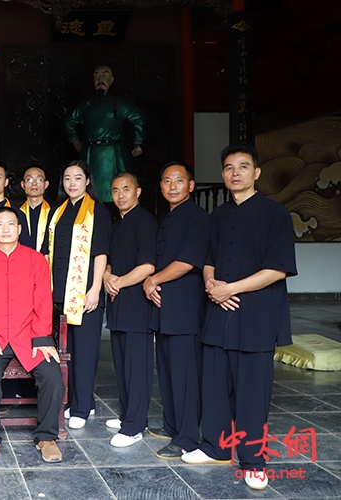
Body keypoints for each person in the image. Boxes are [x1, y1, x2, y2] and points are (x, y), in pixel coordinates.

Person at [181, 144, 297, 492]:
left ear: (256, 173)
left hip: (256, 315)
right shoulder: (217, 216)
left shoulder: (276, 214)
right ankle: (215, 447)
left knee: (251, 391)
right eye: (229, 168)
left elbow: (278, 270)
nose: (235, 173)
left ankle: (253, 461)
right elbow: (209, 259)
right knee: (214, 384)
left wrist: (232, 289)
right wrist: (211, 283)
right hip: (218, 312)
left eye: (243, 167)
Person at [0, 207, 65, 465]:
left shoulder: (36, 260)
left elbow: (44, 301)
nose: (6, 229)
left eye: (11, 224)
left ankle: (47, 437)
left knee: (54, 379)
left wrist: (43, 338)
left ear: (19, 229)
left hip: (29, 336)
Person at [142, 162, 209, 460]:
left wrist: (153, 279)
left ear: (191, 186)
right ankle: (172, 426)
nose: (172, 186)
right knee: (167, 371)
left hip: (185, 309)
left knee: (185, 376)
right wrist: (151, 282)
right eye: (167, 181)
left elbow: (186, 262)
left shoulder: (197, 218)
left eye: (178, 181)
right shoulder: (167, 218)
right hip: (165, 308)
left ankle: (186, 438)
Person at [44, 161, 110, 430]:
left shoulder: (98, 211)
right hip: (59, 293)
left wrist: (95, 289)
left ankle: (82, 406)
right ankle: (76, 401)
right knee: (66, 351)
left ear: (88, 181)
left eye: (78, 178)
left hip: (84, 294)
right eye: (67, 178)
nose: (72, 183)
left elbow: (100, 253)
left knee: (84, 352)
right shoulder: (58, 212)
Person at [102, 172, 157, 447]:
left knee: (137, 367)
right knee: (122, 365)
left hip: (137, 306)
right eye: (115, 190)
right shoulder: (117, 224)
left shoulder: (145, 222)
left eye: (126, 189)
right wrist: (106, 276)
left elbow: (148, 266)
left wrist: (118, 282)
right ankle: (128, 416)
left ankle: (135, 426)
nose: (120, 195)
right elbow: (110, 262)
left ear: (138, 192)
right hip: (118, 304)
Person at [64, 65, 145, 203]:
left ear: (112, 80)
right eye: (96, 76)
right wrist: (76, 142)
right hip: (90, 151)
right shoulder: (86, 105)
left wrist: (137, 143)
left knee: (118, 187)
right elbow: (69, 122)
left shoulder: (119, 102)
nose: (100, 79)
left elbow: (138, 118)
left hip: (114, 152)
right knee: (88, 193)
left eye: (104, 75)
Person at [19, 165, 51, 252]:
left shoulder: (55, 213)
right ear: (23, 185)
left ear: (46, 184)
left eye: (39, 179)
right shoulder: (15, 213)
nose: (34, 183)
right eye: (29, 179)